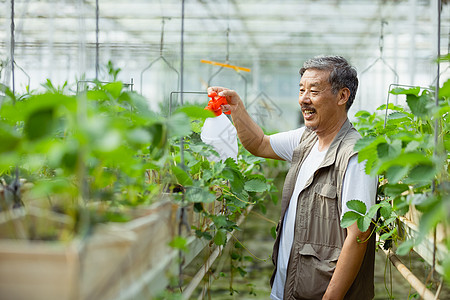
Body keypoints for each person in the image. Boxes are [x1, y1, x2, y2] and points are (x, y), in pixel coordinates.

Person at [208, 55, 377, 300]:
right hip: (288, 287)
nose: (303, 99)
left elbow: (358, 235)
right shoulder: (306, 139)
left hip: (320, 293)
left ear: (342, 96)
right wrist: (237, 109)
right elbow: (260, 144)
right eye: (301, 90)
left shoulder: (356, 156)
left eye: (314, 91)